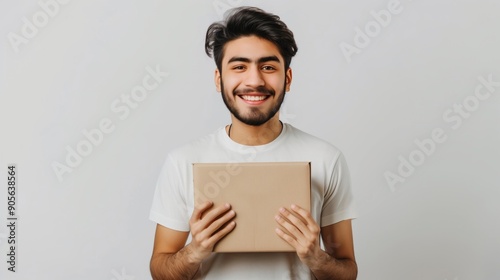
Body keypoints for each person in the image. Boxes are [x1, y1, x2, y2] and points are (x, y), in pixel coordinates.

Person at [149, 6, 357, 280]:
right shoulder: (182, 161)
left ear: (288, 78)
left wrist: (314, 257)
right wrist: (195, 251)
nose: (254, 80)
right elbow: (160, 272)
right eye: (239, 67)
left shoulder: (326, 159)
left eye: (268, 67)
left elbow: (347, 272)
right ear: (218, 79)